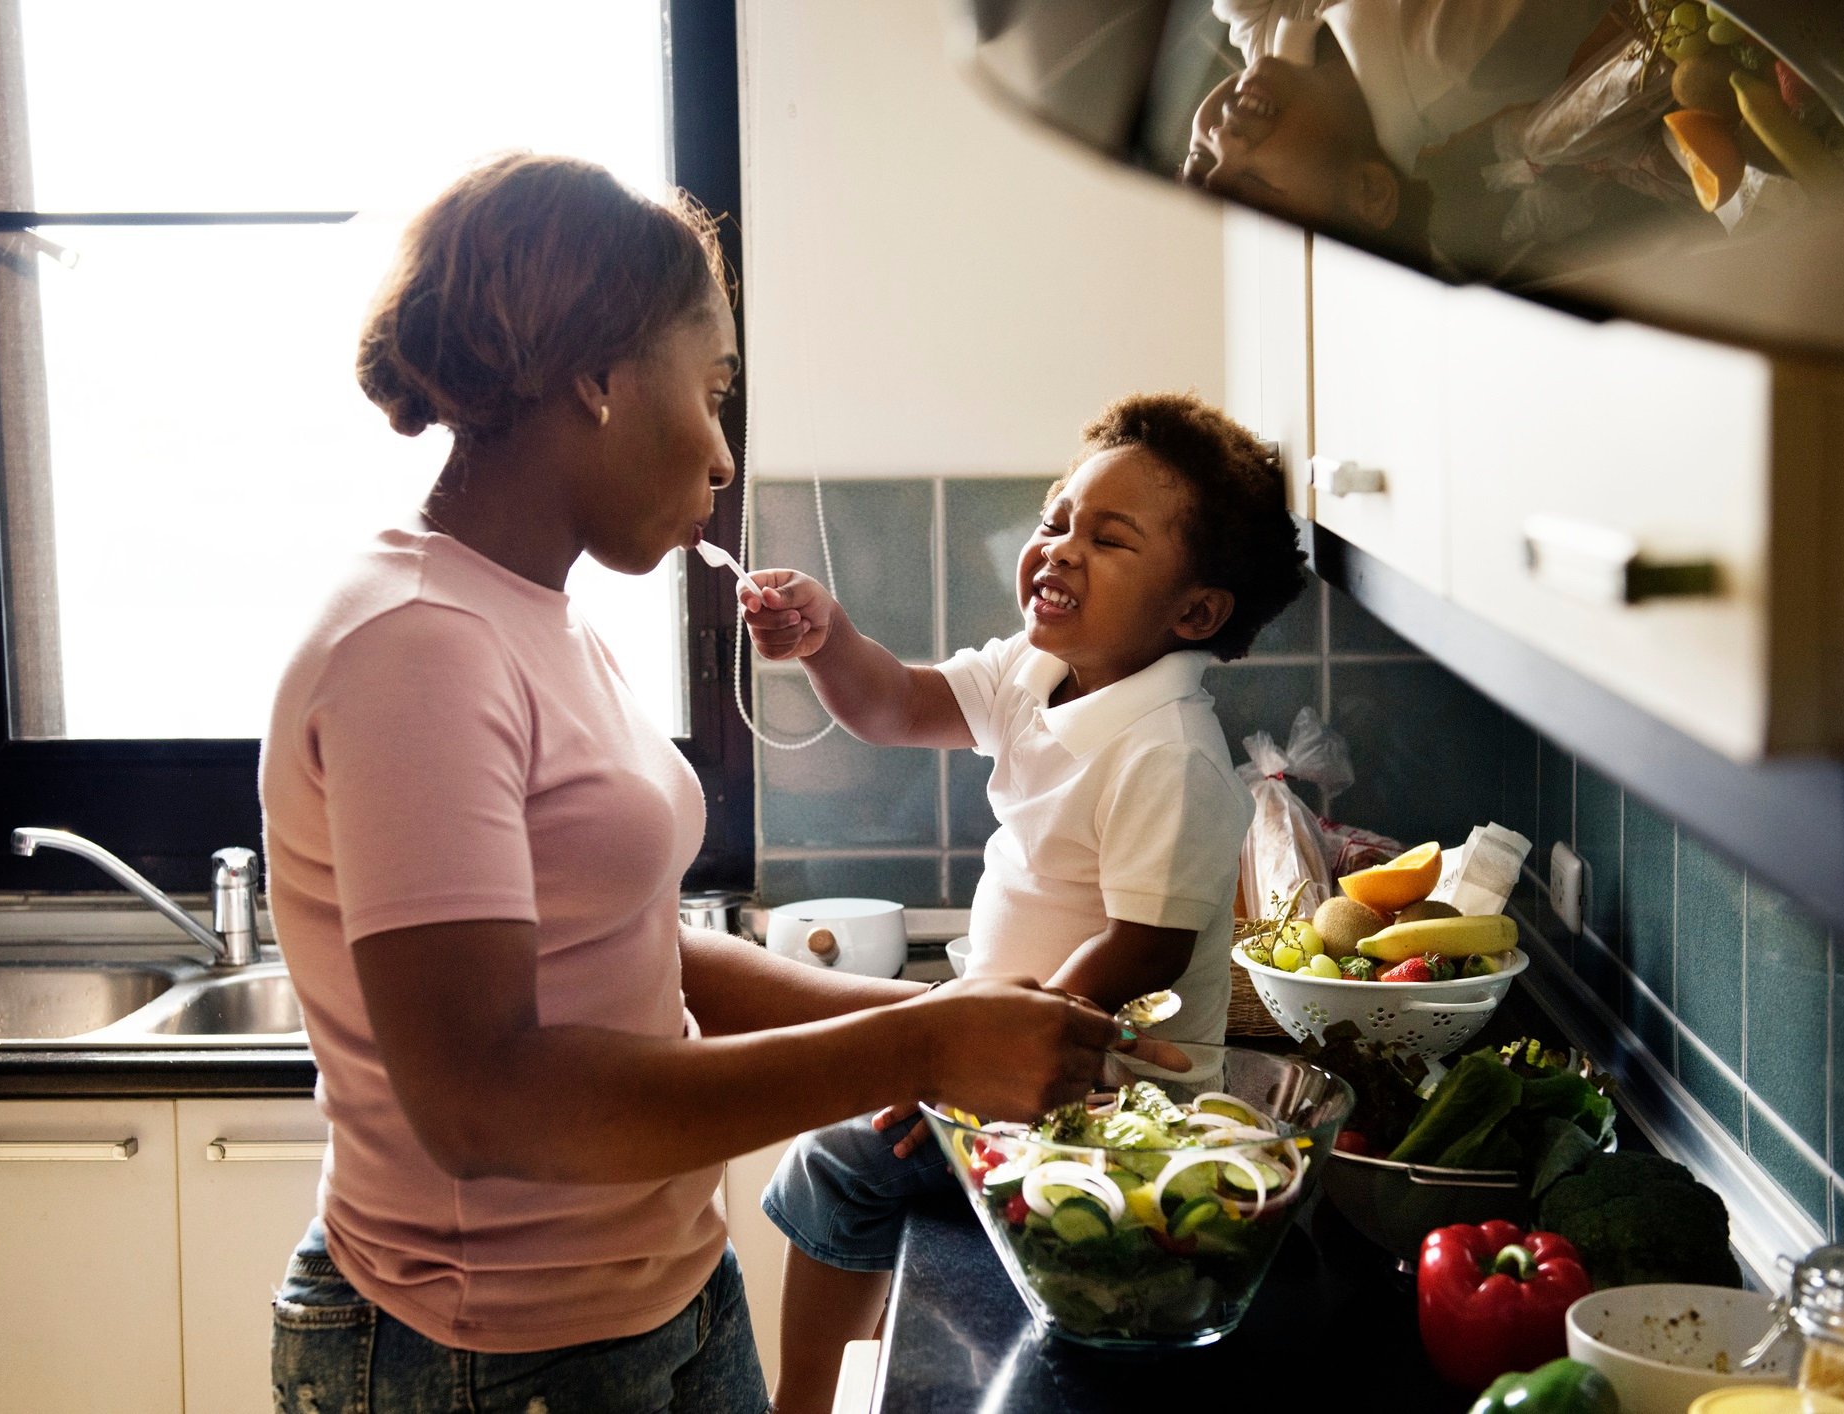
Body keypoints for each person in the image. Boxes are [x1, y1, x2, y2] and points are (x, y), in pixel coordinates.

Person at [258, 152, 1135, 1414]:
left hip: (657, 1291)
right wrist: (917, 1038)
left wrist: (911, 1023)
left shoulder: (537, 618)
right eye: (712, 388)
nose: (721, 454)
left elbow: (628, 951)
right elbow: (483, 1099)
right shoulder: (412, 645)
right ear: (598, 378)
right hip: (482, 1354)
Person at [741, 391, 1310, 1413]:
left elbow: (1137, 949)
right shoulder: (1036, 668)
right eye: (1056, 519)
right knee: (851, 1145)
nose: (1058, 549)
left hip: (1102, 1095)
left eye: (1108, 537)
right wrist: (828, 638)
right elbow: (895, 703)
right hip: (1003, 1045)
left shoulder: (1167, 752)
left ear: (1192, 613)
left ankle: (798, 1401)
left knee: (833, 1160)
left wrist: (969, 1061)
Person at [1182, 0, 1616, 256]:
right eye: (1254, 183)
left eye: (1200, 158)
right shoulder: (1458, 49)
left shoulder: (1272, 49)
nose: (1222, 138)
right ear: (1371, 190)